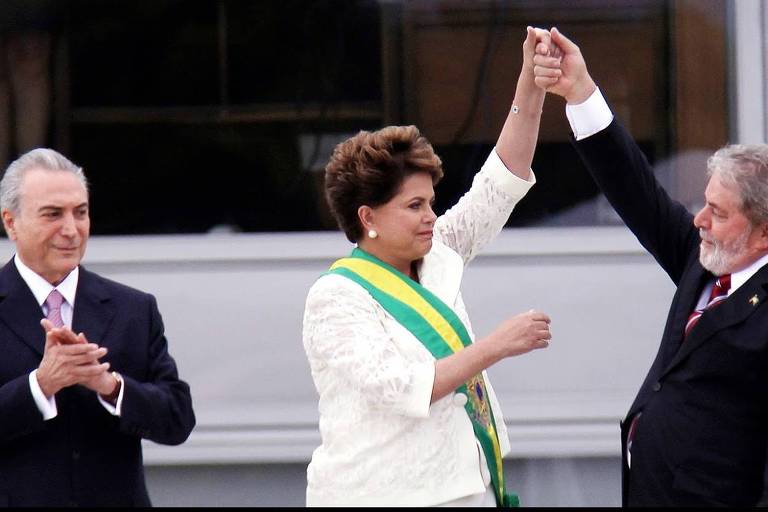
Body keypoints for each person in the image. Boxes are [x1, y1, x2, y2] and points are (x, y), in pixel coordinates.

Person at [302, 27, 553, 507]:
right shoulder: (335, 298)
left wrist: (530, 85)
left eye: (431, 203)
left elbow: (499, 185)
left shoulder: (438, 252)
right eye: (414, 206)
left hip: (464, 488)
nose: (431, 217)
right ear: (368, 218)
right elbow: (402, 387)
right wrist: (497, 346)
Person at [533, 28, 768, 506]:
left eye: (719, 213)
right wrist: (580, 92)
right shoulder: (702, 261)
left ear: (763, 232)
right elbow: (634, 188)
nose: (700, 220)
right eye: (705, 204)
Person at [0, 148, 196, 506]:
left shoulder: (133, 309)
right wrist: (41, 385)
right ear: (10, 222)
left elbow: (177, 419)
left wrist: (111, 387)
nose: (71, 230)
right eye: (53, 215)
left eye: (81, 212)